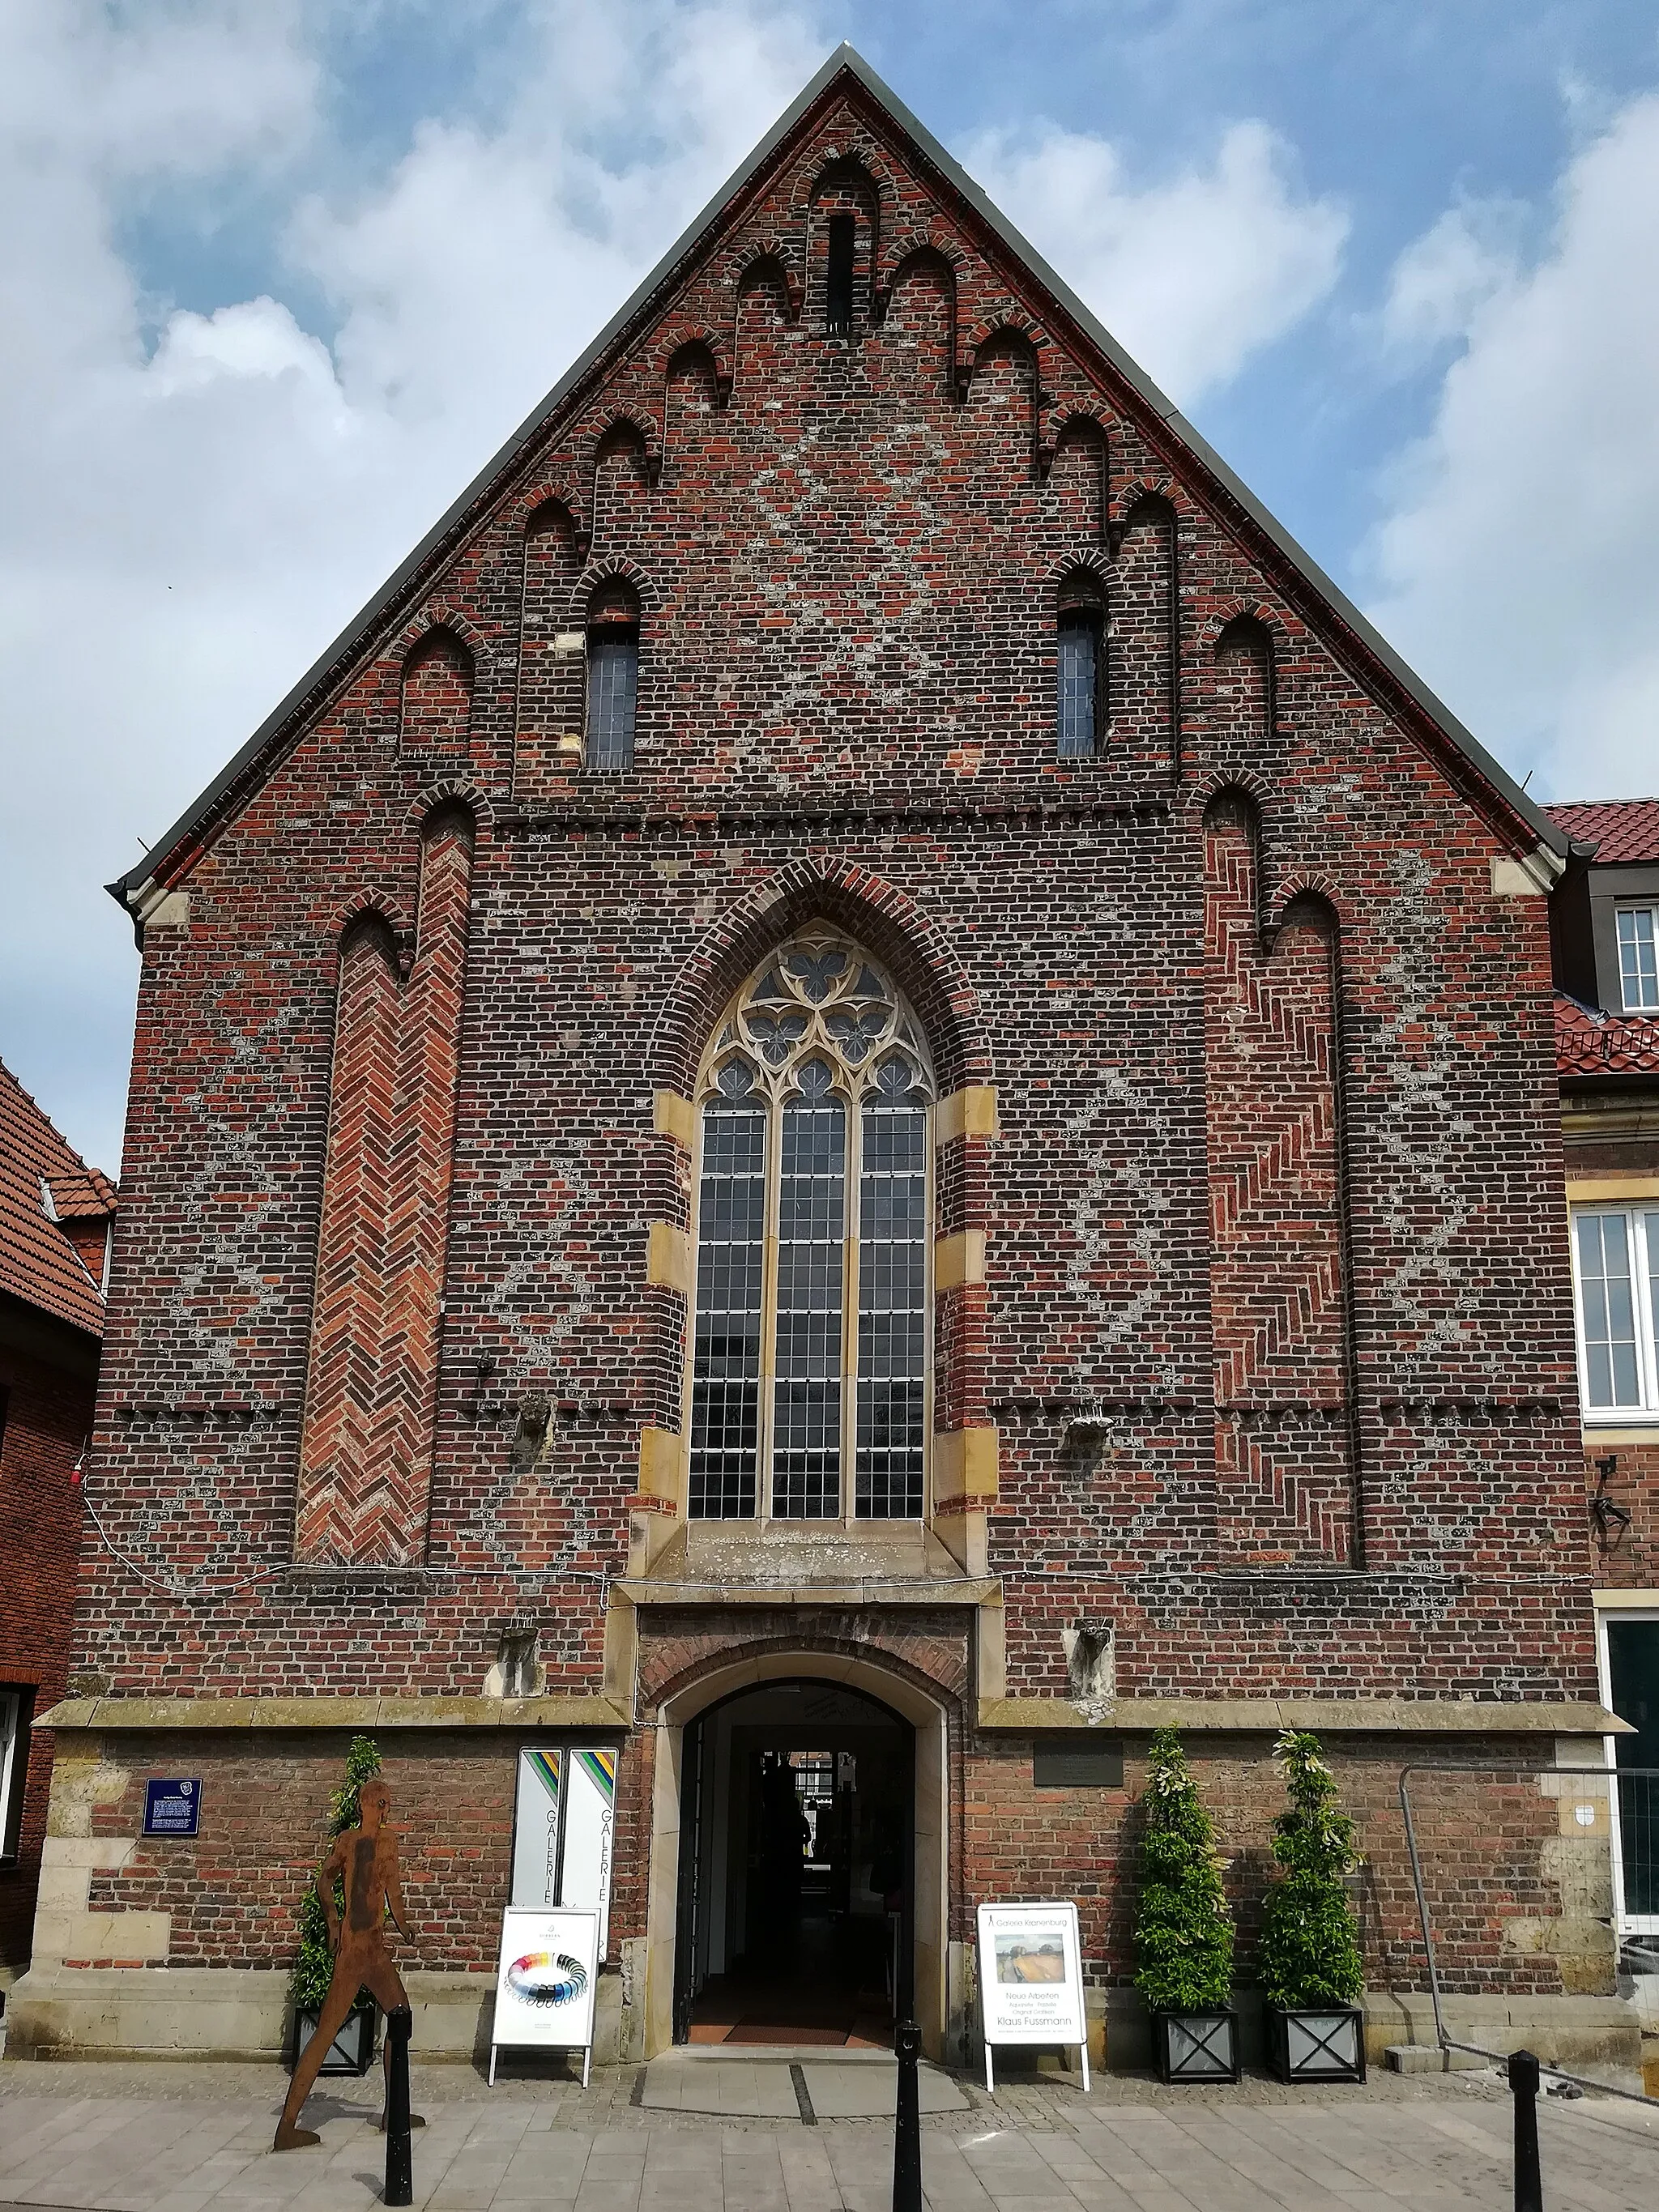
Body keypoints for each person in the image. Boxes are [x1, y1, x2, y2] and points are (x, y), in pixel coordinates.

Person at [273, 1776, 422, 2151]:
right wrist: (399, 1927)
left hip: (366, 1950)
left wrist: (335, 1921)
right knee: (338, 2029)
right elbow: (393, 1896)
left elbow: (326, 1884)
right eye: (385, 1803)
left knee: (396, 2016)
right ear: (378, 1806)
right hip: (364, 1951)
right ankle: (288, 2128)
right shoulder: (383, 1843)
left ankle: (394, 2112)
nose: (386, 1810)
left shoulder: (347, 1841)